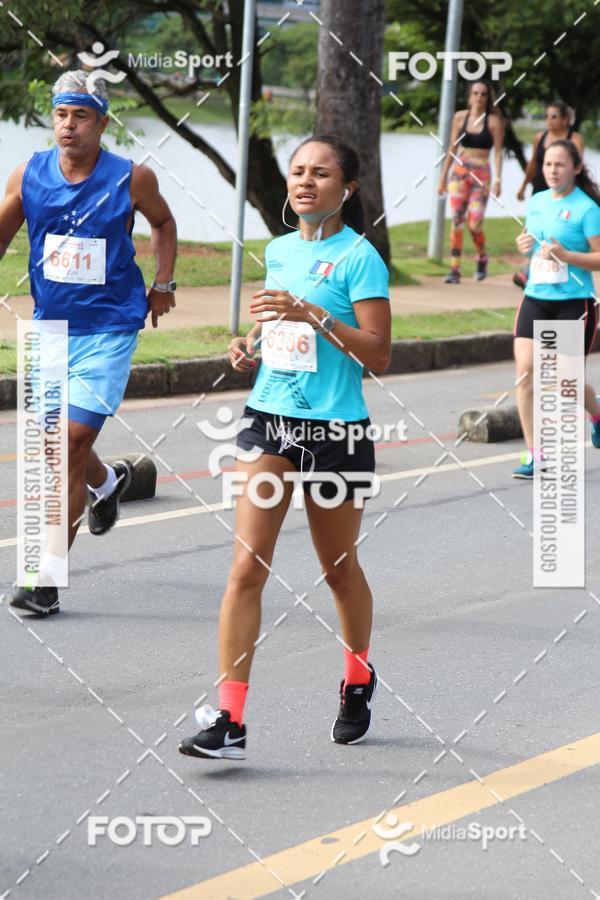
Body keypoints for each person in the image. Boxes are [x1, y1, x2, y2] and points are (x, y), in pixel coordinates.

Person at [178, 135, 391, 759]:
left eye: (320, 173)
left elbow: (378, 353)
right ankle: (230, 720)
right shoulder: (277, 251)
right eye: (298, 172)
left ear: (346, 189)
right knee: (246, 568)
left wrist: (315, 317)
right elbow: (277, 325)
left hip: (336, 433)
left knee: (337, 570)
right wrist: (251, 344)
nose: (305, 182)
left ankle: (357, 680)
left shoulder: (361, 258)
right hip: (270, 422)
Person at [1, 70, 177, 614]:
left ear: (102, 122)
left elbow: (164, 224)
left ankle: (43, 579)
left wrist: (163, 283)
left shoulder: (131, 178)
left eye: (80, 115)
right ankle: (105, 487)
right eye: (60, 113)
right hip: (49, 326)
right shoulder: (29, 173)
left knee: (66, 445)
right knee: (60, 448)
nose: (68, 125)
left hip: (109, 327)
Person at [513, 139, 600, 479]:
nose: (552, 171)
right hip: (536, 297)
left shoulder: (587, 209)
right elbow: (530, 243)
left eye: (560, 164)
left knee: (566, 381)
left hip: (573, 303)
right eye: (548, 164)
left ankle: (596, 414)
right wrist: (523, 245)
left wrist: (568, 257)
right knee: (525, 376)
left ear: (576, 168)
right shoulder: (536, 202)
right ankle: (536, 454)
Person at [438, 79, 505, 284]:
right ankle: (455, 268)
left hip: (481, 175)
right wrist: (443, 177)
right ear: (469, 96)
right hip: (459, 173)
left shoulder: (493, 121)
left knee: (474, 223)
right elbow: (452, 149)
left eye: (483, 94)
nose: (479, 98)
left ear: (488, 98)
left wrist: (498, 179)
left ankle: (482, 257)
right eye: (476, 93)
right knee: (457, 220)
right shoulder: (459, 117)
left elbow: (498, 153)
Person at [514, 101, 584, 288]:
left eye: (554, 116)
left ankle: (561, 274)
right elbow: (533, 164)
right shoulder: (540, 137)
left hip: (563, 194)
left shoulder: (574, 138)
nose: (549, 120)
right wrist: (523, 186)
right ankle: (528, 269)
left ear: (565, 119)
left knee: (557, 231)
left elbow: (578, 166)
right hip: (540, 188)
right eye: (547, 116)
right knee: (534, 229)